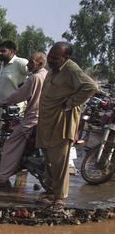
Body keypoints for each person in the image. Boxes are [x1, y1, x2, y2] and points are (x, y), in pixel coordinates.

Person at [36, 42, 98, 211]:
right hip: (46, 122)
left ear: (65, 58)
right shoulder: (52, 71)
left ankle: (60, 199)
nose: (50, 59)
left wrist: (70, 103)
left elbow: (91, 86)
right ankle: (50, 192)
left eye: (55, 57)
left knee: (60, 162)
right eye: (50, 55)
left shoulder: (71, 69)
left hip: (62, 122)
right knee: (49, 161)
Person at [0, 52, 49, 188]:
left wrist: (3, 102)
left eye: (31, 62)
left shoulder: (34, 78)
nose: (28, 64)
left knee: (10, 146)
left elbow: (19, 95)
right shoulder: (48, 75)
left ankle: (1, 179)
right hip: (46, 119)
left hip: (32, 119)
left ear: (40, 64)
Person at [0, 40, 29, 119]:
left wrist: (26, 87)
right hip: (1, 109)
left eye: (3, 51)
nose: (0, 53)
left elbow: (35, 74)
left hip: (15, 110)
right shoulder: (2, 64)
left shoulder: (20, 62)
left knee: (14, 131)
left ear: (11, 51)